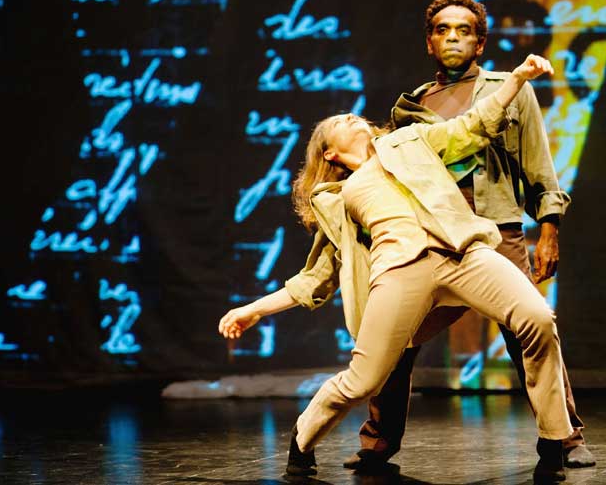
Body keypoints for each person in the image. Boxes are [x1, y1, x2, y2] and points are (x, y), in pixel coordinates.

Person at [219, 54, 573, 482]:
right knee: (364, 380)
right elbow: (315, 278)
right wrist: (253, 310)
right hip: (399, 273)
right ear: (330, 152)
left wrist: (517, 78)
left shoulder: (411, 141)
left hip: (461, 252)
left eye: (353, 115)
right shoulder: (337, 196)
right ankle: (303, 436)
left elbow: (472, 125)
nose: (351, 117)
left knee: (537, 318)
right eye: (340, 122)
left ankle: (553, 438)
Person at [344, 0, 594, 473]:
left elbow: (539, 166)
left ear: (480, 44)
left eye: (464, 30)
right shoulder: (412, 106)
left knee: (530, 332)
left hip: (497, 233)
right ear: (430, 42)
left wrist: (549, 231)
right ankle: (377, 443)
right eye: (443, 30)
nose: (453, 38)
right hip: (430, 239)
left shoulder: (510, 89)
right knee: (395, 339)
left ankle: (566, 439)